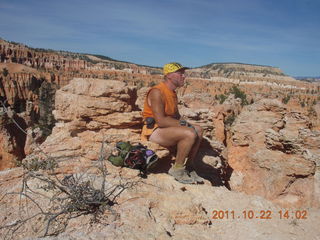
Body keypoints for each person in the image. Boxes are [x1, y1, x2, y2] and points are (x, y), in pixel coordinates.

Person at [141, 62, 204, 184]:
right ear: (169, 76)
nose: (184, 76)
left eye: (183, 73)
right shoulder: (157, 92)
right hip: (153, 130)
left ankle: (189, 166)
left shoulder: (172, 93)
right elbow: (161, 121)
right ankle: (177, 169)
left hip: (165, 128)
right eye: (180, 73)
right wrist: (186, 126)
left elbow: (175, 117)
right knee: (189, 133)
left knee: (199, 130)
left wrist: (187, 124)